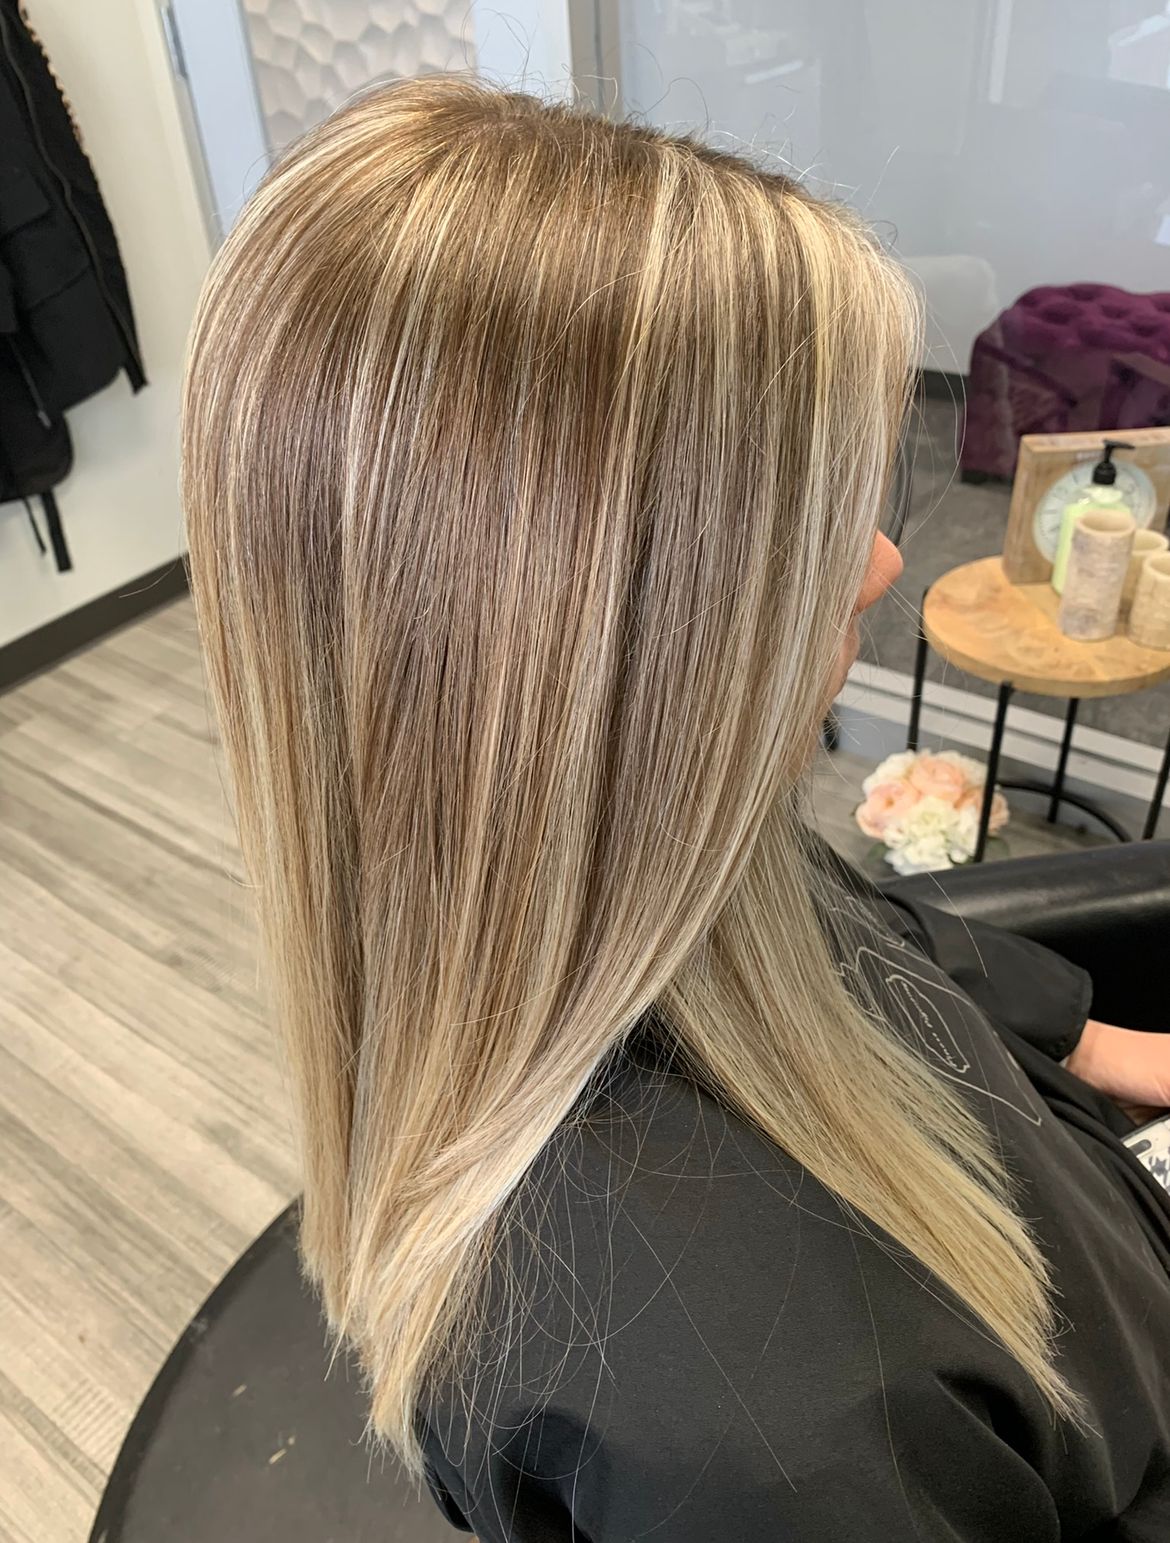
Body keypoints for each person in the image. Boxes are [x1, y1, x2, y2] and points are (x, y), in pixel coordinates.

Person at [182, 77, 1170, 1540]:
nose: (880, 564)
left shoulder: (641, 888)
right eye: (804, 525)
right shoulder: (778, 1442)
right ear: (604, 645)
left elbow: (867, 940)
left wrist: (1097, 1045)